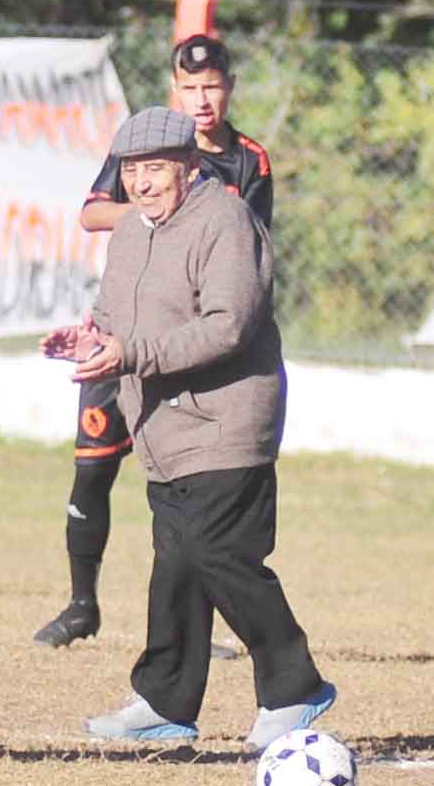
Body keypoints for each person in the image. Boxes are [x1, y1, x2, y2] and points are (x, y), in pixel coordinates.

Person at [41, 106, 334, 750]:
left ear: (188, 165)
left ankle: (295, 685)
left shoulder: (225, 219)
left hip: (227, 421)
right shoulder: (130, 233)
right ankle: (163, 701)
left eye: (155, 169)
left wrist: (131, 354)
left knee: (217, 554)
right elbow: (114, 318)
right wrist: (88, 336)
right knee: (175, 564)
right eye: (132, 172)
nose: (142, 184)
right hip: (161, 430)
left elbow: (228, 325)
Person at [34, 34, 275, 648]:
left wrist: (181, 215)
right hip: (115, 337)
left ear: (229, 88)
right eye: (189, 88)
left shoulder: (249, 161)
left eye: (212, 86)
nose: (201, 99)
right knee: (92, 472)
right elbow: (91, 212)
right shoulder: (150, 150)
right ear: (174, 90)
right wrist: (154, 210)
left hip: (184, 347)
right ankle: (81, 603)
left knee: (192, 490)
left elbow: (240, 247)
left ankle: (206, 621)